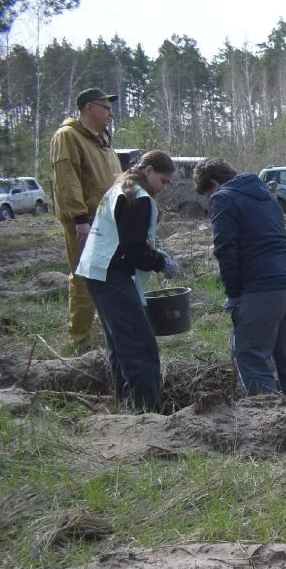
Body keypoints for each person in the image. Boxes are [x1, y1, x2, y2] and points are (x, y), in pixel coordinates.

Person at [193, 158, 286, 397]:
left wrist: (234, 295)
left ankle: (266, 424)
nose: (209, 200)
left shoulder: (223, 198)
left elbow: (225, 249)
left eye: (208, 194)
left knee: (250, 356)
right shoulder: (267, 196)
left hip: (261, 289)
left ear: (215, 183)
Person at [73, 151, 181, 412]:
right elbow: (135, 251)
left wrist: (153, 255)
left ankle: (127, 404)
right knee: (140, 344)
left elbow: (128, 242)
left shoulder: (121, 188)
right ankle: (147, 411)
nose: (164, 188)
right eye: (163, 181)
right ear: (149, 171)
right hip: (110, 273)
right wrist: (160, 262)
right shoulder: (137, 198)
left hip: (97, 269)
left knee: (120, 342)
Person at [51, 88, 123, 353]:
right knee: (84, 278)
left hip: (110, 220)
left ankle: (112, 332)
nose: (110, 114)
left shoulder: (102, 141)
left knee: (113, 276)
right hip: (86, 222)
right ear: (89, 108)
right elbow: (66, 178)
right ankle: (79, 340)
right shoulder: (68, 137)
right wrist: (79, 218)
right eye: (106, 108)